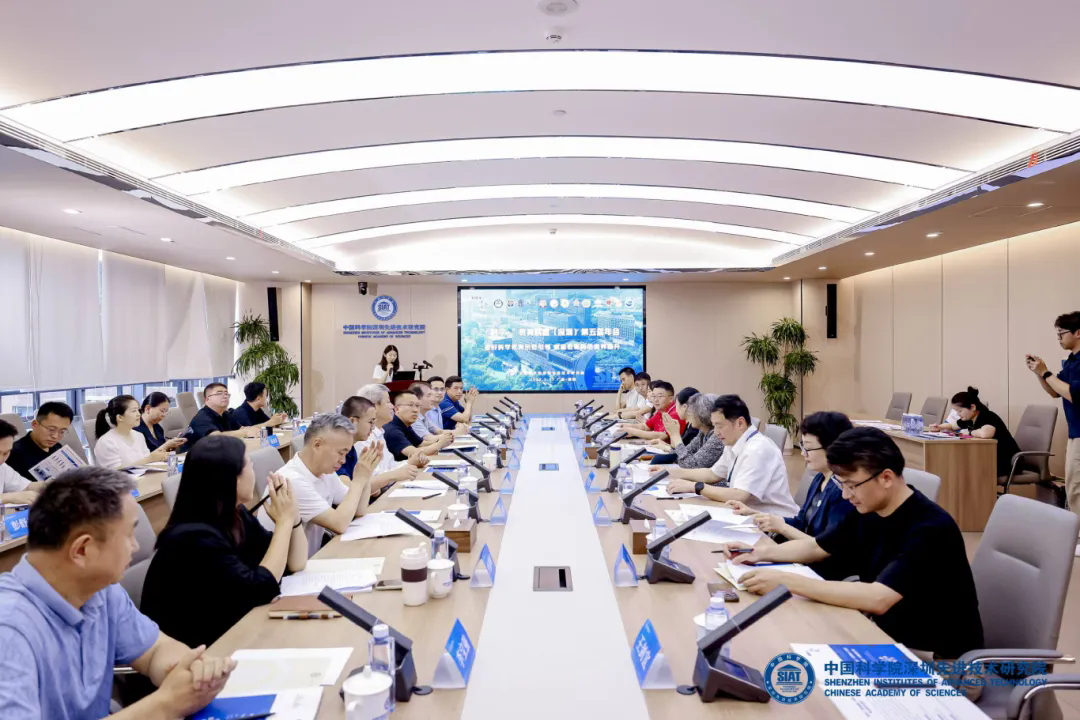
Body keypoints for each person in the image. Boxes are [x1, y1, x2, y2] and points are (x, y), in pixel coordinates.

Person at [723, 427, 983, 660]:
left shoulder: (930, 528)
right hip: (884, 636)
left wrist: (787, 582)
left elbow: (879, 598)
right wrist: (758, 552)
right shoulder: (869, 509)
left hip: (939, 660)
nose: (846, 495)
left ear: (886, 478)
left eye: (852, 485)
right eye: (841, 485)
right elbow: (817, 547)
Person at [0, 467, 236, 718]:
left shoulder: (100, 590)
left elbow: (155, 650)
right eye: (129, 534)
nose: (136, 546)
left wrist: (191, 669)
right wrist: (166, 703)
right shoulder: (9, 632)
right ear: (82, 550)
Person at [141, 436, 308, 648]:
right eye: (249, 464)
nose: (254, 470)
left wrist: (293, 516)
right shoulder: (193, 538)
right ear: (231, 478)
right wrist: (283, 523)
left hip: (231, 630)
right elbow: (260, 589)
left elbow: (294, 563)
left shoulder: (234, 514)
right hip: (200, 652)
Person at [729, 411, 856, 580]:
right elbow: (801, 522)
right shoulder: (820, 478)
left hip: (820, 573)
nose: (803, 453)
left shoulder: (843, 491)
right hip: (802, 561)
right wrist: (758, 515)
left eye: (808, 448)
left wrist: (782, 527)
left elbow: (824, 549)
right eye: (802, 446)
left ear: (832, 447)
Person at [257, 414, 379, 555]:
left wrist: (366, 474)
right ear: (317, 445)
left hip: (311, 559)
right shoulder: (292, 481)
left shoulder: (325, 472)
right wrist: (358, 481)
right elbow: (339, 524)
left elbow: (359, 509)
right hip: (288, 567)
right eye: (341, 453)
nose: (343, 460)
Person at [667, 395, 798, 515]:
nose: (716, 432)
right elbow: (712, 474)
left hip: (773, 521)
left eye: (719, 426)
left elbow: (739, 495)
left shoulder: (757, 449)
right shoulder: (734, 442)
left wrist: (695, 487)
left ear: (740, 423)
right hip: (747, 513)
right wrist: (670, 472)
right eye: (714, 426)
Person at [1026, 310, 1080, 556]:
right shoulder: (1071, 360)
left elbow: (1073, 394)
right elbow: (1055, 391)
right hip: (1074, 432)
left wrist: (1046, 372)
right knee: (1074, 484)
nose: (1059, 338)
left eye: (1062, 334)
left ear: (1077, 333)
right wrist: (1039, 373)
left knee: (1076, 486)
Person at [354, 384, 429, 498]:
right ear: (374, 406)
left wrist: (410, 462)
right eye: (388, 402)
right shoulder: (363, 438)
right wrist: (408, 465)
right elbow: (374, 482)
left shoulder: (379, 431)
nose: (393, 406)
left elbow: (390, 466)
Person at [338, 396, 420, 497]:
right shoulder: (341, 448)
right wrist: (391, 476)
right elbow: (347, 491)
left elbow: (365, 487)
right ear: (352, 421)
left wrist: (369, 487)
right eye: (370, 422)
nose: (373, 428)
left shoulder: (352, 448)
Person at [930, 387, 1021, 477]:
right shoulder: (970, 418)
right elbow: (953, 425)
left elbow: (985, 434)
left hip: (1009, 462)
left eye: (960, 411)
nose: (958, 414)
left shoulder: (988, 416)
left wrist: (970, 432)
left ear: (972, 407)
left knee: (965, 469)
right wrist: (939, 427)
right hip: (991, 458)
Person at [94, 395, 186, 470]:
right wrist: (150, 459)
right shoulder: (107, 442)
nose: (138, 414)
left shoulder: (138, 436)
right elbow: (115, 472)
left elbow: (147, 463)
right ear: (120, 417)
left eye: (138, 410)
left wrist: (157, 458)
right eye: (134, 411)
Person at [6, 402, 75, 481]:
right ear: (34, 424)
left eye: (62, 431)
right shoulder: (14, 454)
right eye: (51, 429)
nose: (55, 436)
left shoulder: (57, 447)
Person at [659, 392, 726, 469]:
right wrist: (673, 434)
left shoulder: (717, 437)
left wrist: (675, 435)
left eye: (692, 411)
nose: (689, 414)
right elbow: (679, 456)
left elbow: (690, 465)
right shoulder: (702, 433)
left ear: (703, 413)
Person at [384, 390, 452, 461]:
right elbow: (415, 453)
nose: (415, 410)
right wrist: (440, 444)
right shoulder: (392, 431)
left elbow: (421, 444)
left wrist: (443, 440)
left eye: (417, 406)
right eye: (410, 405)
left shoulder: (406, 425)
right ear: (397, 409)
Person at [649, 386, 701, 464]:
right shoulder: (689, 425)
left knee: (657, 460)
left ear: (684, 407)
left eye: (676, 405)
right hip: (683, 462)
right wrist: (666, 443)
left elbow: (684, 456)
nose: (675, 408)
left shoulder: (696, 429)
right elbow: (679, 449)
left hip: (687, 465)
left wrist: (673, 435)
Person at [0, 419, 46, 505]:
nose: (1, 459)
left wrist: (50, 485)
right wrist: (8, 497)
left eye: (6, 453)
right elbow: (13, 496)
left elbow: (26, 486)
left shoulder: (2, 467)